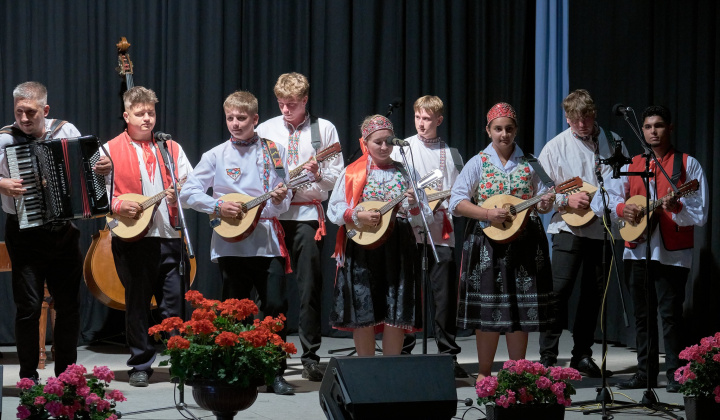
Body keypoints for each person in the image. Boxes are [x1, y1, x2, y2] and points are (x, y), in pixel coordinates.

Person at [180, 90, 294, 395]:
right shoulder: (215, 155)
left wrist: (283, 197)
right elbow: (188, 193)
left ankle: (274, 372)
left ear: (255, 119)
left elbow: (283, 199)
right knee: (234, 309)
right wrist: (217, 207)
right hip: (230, 244)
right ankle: (238, 367)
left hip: (266, 241)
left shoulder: (274, 150)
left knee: (275, 305)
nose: (235, 123)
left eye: (241, 118)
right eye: (230, 117)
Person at [0, 81, 110, 379]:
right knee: (29, 308)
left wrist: (103, 167)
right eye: (19, 112)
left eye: (31, 113)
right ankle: (27, 376)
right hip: (24, 236)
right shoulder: (5, 140)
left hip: (63, 232)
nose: (23, 119)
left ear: (45, 110)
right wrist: (1, 183)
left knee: (69, 306)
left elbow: (93, 168)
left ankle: (66, 375)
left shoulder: (66, 131)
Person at [449, 102, 556, 381]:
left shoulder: (531, 163)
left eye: (509, 129)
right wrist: (486, 213)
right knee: (489, 309)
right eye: (498, 129)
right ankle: (484, 374)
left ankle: (516, 374)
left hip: (525, 243)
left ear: (516, 130)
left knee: (519, 310)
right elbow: (456, 202)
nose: (504, 134)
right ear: (489, 130)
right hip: (486, 243)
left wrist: (545, 203)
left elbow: (545, 200)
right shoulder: (478, 162)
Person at [610, 106, 708, 392]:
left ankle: (676, 374)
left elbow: (700, 213)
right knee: (643, 316)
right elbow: (610, 199)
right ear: (642, 130)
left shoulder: (687, 164)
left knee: (670, 315)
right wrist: (621, 209)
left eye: (659, 125)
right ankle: (645, 373)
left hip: (672, 252)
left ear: (670, 128)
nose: (654, 131)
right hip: (636, 251)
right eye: (649, 126)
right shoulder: (631, 164)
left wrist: (676, 205)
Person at [102, 86, 193, 387]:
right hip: (132, 239)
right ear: (126, 115)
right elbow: (96, 194)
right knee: (137, 304)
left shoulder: (171, 148)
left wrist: (178, 192)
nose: (146, 119)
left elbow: (190, 185)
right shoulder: (109, 149)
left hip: (169, 235)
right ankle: (140, 364)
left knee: (174, 305)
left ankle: (180, 363)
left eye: (151, 113)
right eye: (139, 113)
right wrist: (117, 204)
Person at [255, 72, 343, 382]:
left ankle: (309, 356)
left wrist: (318, 173)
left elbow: (337, 179)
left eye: (291, 104)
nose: (285, 110)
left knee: (309, 289)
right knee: (272, 294)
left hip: (306, 216)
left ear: (305, 101)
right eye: (280, 104)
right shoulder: (265, 128)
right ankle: (271, 355)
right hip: (272, 219)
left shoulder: (324, 130)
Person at [537, 89, 625, 377]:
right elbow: (541, 193)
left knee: (593, 295)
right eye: (575, 120)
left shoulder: (613, 142)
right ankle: (548, 358)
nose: (581, 124)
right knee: (558, 294)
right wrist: (566, 200)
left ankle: (581, 356)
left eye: (586, 117)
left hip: (603, 231)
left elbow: (626, 182)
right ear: (566, 118)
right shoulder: (555, 147)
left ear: (594, 113)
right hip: (568, 229)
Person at [327, 115, 431, 356]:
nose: (384, 147)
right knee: (363, 307)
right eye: (378, 142)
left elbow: (424, 216)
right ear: (365, 142)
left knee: (395, 306)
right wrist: (356, 215)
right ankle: (367, 369)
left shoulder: (407, 171)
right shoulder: (352, 172)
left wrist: (415, 204)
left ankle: (390, 371)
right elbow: (334, 209)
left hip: (399, 245)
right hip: (363, 247)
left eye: (388, 141)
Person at [389, 95, 468, 377]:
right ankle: (405, 350)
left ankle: (447, 354)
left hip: (440, 234)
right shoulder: (402, 149)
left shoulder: (451, 153)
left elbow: (460, 196)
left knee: (444, 296)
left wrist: (442, 202)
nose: (422, 124)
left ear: (439, 120)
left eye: (427, 119)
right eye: (418, 118)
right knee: (408, 292)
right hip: (408, 231)